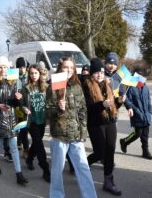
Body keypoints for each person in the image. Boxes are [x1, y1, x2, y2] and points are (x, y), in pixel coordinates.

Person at [46, 57, 97, 198]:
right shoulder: (54, 85)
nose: (68, 70)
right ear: (60, 68)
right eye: (65, 67)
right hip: (59, 136)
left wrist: (83, 133)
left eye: (71, 68)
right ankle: (56, 195)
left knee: (83, 168)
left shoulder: (77, 86)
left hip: (76, 136)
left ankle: (90, 195)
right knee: (57, 171)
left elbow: (82, 111)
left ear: (74, 70)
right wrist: (58, 108)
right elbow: (48, 112)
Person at [0, 56, 28, 185]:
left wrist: (18, 99)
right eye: (0, 67)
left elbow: (13, 102)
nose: (3, 70)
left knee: (14, 147)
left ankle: (19, 174)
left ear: (8, 68)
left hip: (11, 118)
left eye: (5, 67)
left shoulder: (12, 82)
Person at [82, 58, 121, 196]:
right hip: (95, 123)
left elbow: (112, 104)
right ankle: (82, 166)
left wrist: (119, 102)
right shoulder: (86, 85)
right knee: (100, 153)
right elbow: (87, 109)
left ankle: (108, 182)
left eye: (102, 72)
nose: (99, 75)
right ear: (92, 73)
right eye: (97, 72)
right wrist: (101, 105)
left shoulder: (107, 84)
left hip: (109, 121)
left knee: (110, 150)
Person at [21, 64, 50, 182]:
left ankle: (29, 158)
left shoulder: (46, 86)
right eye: (31, 73)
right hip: (31, 120)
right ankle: (46, 170)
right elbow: (22, 103)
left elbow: (51, 100)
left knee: (36, 144)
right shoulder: (25, 88)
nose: (33, 75)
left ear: (39, 74)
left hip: (42, 120)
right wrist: (24, 108)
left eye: (35, 73)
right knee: (39, 145)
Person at [120, 70, 152, 160]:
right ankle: (124, 141)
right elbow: (129, 101)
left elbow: (149, 100)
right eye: (139, 78)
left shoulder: (146, 88)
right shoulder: (131, 88)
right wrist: (137, 112)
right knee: (137, 133)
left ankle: (145, 151)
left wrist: (150, 112)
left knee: (145, 135)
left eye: (143, 78)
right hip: (137, 115)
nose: (142, 80)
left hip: (146, 115)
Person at [15, 57, 30, 158]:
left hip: (25, 106)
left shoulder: (29, 77)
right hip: (16, 106)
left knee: (24, 129)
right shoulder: (13, 77)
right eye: (20, 67)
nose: (22, 69)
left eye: (23, 67)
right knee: (18, 126)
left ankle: (26, 149)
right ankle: (19, 142)